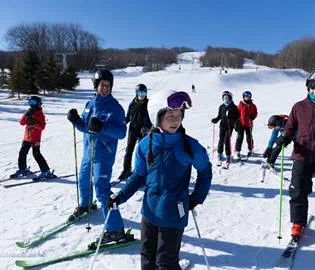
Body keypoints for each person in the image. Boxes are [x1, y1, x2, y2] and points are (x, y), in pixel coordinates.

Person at [108, 90, 212, 270]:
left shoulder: (188, 145)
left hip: (174, 212)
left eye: (179, 115)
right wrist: (120, 196)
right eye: (170, 115)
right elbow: (139, 175)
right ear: (157, 116)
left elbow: (205, 171)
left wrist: (195, 198)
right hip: (149, 211)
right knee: (147, 259)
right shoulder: (145, 144)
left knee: (165, 263)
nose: (175, 120)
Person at [66, 69, 129, 242]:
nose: (105, 88)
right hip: (88, 153)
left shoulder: (115, 108)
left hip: (103, 155)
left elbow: (122, 132)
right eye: (102, 85)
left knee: (102, 190)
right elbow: (86, 128)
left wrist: (104, 127)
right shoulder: (90, 104)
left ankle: (116, 230)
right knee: (83, 180)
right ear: (96, 85)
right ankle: (85, 205)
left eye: (108, 86)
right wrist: (76, 120)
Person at [281, 68, 315, 239]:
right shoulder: (299, 107)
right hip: (302, 154)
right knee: (298, 190)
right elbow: (290, 128)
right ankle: (298, 222)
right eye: (312, 88)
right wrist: (284, 139)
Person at [11, 96, 53, 179]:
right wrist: (26, 114)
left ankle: (46, 171)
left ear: (38, 104)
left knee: (36, 154)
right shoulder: (29, 112)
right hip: (27, 137)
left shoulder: (40, 115)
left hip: (35, 138)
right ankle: (23, 169)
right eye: (30, 102)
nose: (31, 105)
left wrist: (35, 123)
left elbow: (42, 127)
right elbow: (22, 123)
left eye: (33, 102)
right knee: (22, 152)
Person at [118, 83, 153, 180]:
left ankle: (144, 172)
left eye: (144, 92)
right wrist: (124, 121)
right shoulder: (132, 104)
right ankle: (126, 170)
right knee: (129, 150)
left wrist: (148, 127)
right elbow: (128, 116)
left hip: (144, 132)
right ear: (136, 93)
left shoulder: (149, 104)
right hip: (133, 130)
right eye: (140, 92)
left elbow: (152, 118)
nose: (142, 95)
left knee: (144, 152)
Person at [211, 90, 240, 166]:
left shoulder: (234, 107)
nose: (226, 99)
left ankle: (228, 156)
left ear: (230, 98)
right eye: (224, 98)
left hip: (229, 127)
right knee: (221, 140)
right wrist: (216, 120)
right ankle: (220, 154)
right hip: (222, 126)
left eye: (227, 98)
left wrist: (235, 124)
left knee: (227, 141)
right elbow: (219, 116)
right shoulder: (221, 106)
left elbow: (237, 117)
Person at [234, 91, 258, 160]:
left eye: (248, 97)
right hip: (241, 124)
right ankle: (237, 151)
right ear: (243, 97)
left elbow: (255, 112)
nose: (246, 98)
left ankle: (250, 150)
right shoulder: (241, 105)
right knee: (240, 137)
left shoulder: (253, 105)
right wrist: (236, 122)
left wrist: (253, 116)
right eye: (245, 97)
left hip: (249, 124)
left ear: (250, 97)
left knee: (249, 137)